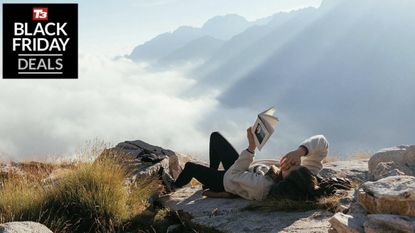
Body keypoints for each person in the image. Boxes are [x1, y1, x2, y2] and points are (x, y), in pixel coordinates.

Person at [162, 127, 328, 201]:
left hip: (228, 181)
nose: (288, 164)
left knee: (190, 167)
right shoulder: (305, 177)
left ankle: (174, 187)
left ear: (284, 183)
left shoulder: (262, 186)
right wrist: (300, 152)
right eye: (295, 165)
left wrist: (251, 147)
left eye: (288, 169)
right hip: (244, 169)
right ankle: (208, 177)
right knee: (215, 137)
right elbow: (322, 142)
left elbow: (233, 175)